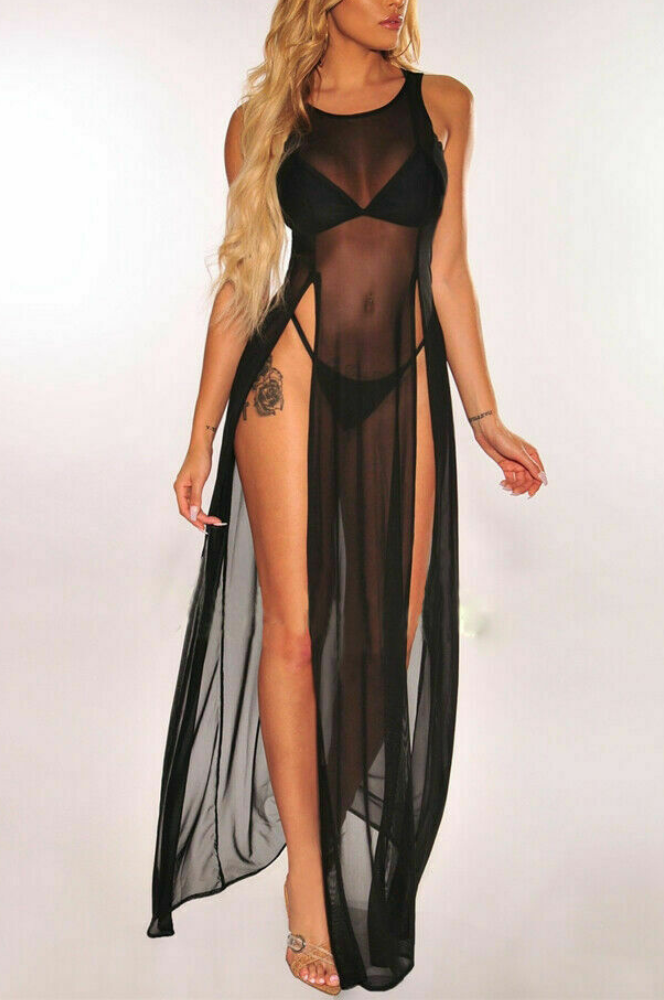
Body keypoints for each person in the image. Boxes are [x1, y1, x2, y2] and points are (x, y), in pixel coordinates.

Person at [146, 0, 547, 993]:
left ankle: (321, 821)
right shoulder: (264, 121)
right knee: (292, 636)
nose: (396, 2)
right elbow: (246, 279)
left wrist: (485, 415)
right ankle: (307, 884)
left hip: (404, 379)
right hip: (289, 375)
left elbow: (445, 270)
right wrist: (200, 433)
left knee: (385, 638)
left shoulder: (443, 104)